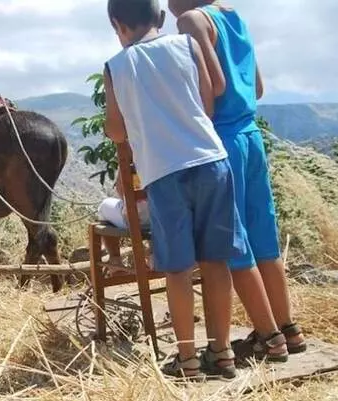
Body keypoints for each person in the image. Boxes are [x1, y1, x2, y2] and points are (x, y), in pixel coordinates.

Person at [103, 0, 248, 380]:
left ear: (117, 25)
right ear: (162, 19)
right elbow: (207, 103)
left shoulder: (116, 67)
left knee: (178, 268)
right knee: (216, 262)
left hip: (164, 174)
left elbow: (116, 131)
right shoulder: (188, 45)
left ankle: (187, 360)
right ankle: (223, 352)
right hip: (211, 162)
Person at [169, 0, 306, 360]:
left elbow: (212, 88)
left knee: (232, 241)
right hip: (251, 136)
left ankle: (268, 335)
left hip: (223, 140)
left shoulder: (191, 20)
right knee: (264, 236)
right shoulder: (233, 17)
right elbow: (256, 87)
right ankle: (289, 329)